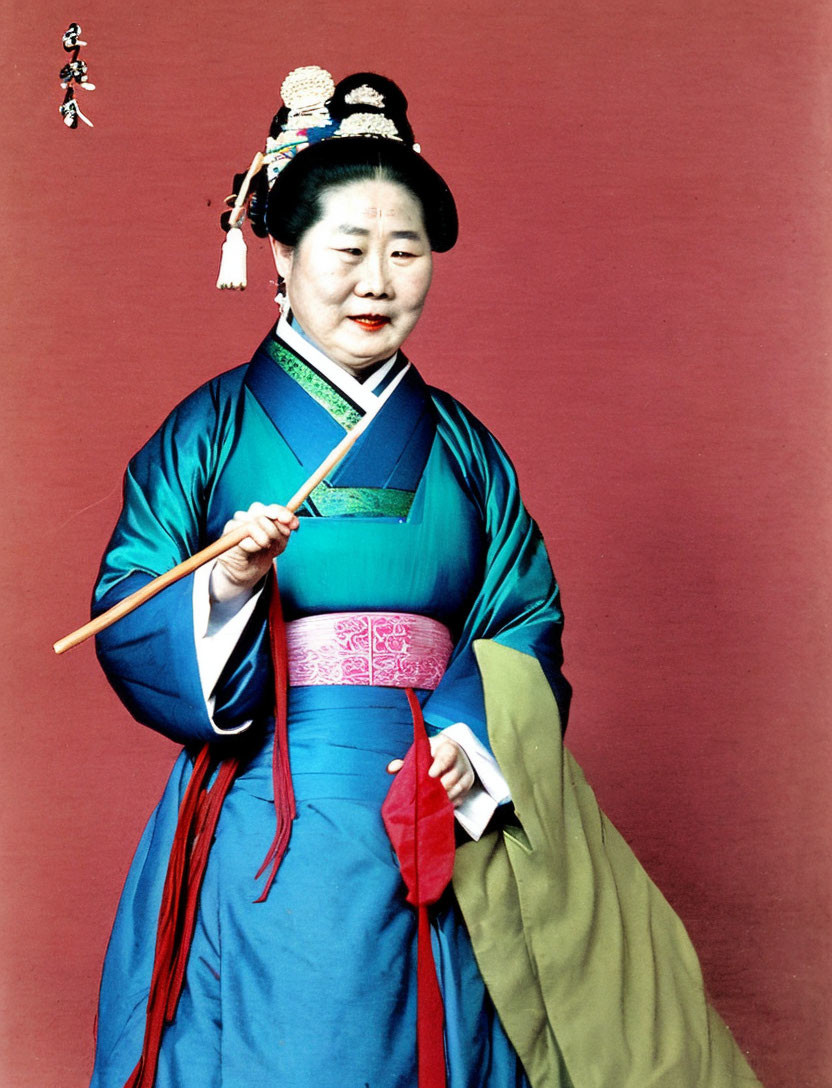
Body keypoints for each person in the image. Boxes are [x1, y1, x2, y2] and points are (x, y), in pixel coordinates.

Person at [88, 68, 762, 1088]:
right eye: (348, 250)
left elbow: (521, 616)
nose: (377, 281)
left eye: (403, 252)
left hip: (431, 806)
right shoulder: (209, 431)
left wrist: (471, 740)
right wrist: (224, 586)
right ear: (280, 250)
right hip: (274, 818)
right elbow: (128, 597)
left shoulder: (462, 449)